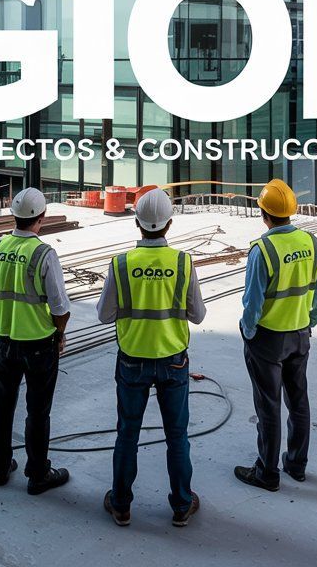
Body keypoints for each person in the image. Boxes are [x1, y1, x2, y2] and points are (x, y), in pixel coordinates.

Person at [97, 188, 206, 528]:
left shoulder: (121, 264)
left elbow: (104, 314)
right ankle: (181, 505)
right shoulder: (182, 262)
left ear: (137, 223)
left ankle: (121, 505)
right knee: (177, 435)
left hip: (132, 361)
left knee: (127, 434)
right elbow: (198, 315)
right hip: (173, 360)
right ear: (169, 224)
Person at [235, 178, 317, 491]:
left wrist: (248, 333)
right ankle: (297, 465)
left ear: (263, 212)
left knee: (268, 406)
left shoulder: (262, 250)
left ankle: (267, 472)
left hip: (268, 340)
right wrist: (308, 320)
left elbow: (253, 303)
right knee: (299, 401)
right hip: (300, 335)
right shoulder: (310, 242)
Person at [0, 187, 71, 495]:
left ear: (14, 216)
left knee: (2, 406)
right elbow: (60, 307)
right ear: (41, 218)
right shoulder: (44, 253)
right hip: (39, 344)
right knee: (37, 410)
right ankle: (38, 474)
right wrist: (59, 335)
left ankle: (0, 466)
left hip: (5, 341)